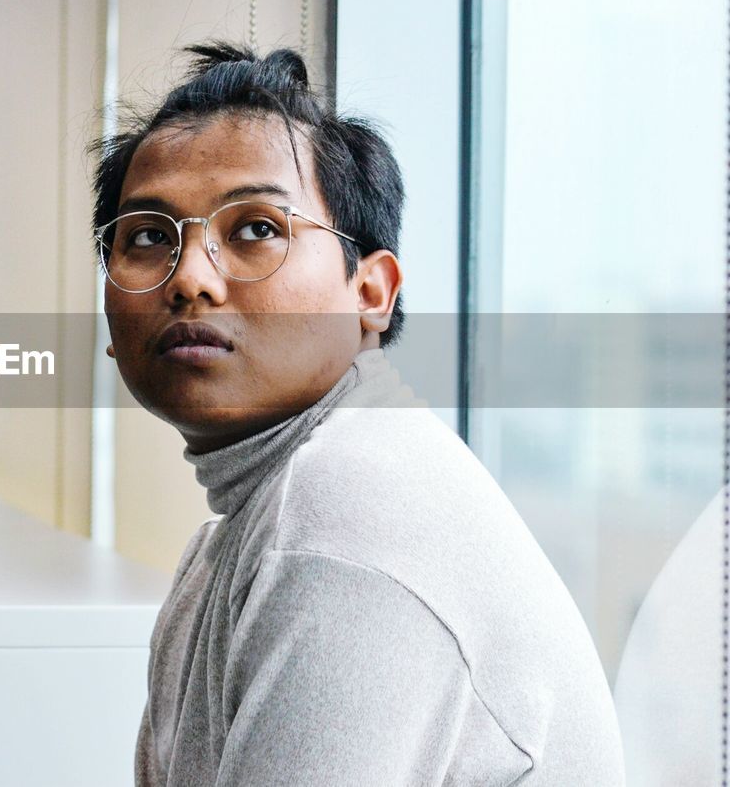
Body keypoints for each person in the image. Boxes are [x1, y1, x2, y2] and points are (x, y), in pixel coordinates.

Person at [91, 43, 625, 785]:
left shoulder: (347, 510)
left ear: (371, 293)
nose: (190, 280)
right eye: (148, 237)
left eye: (255, 229)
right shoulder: (232, 546)